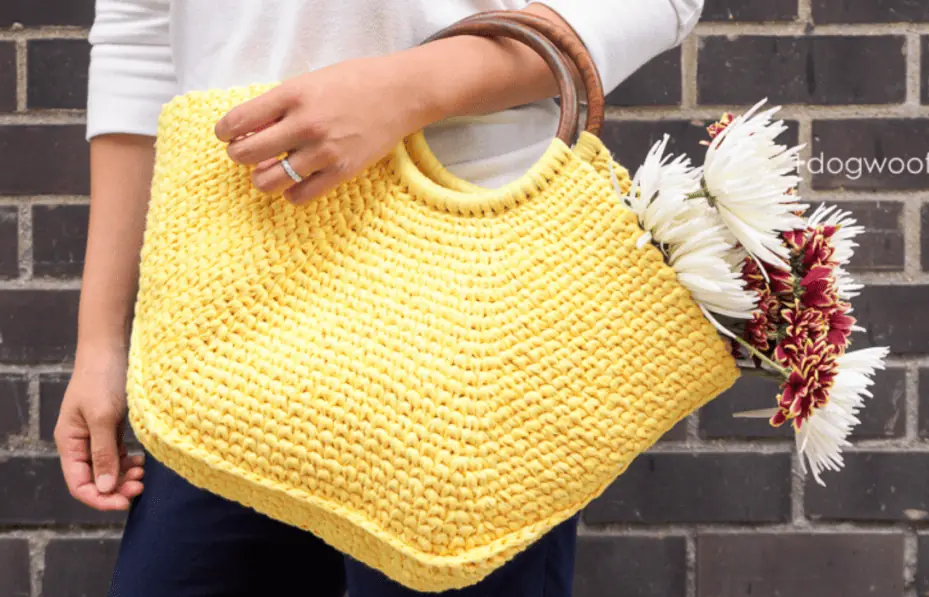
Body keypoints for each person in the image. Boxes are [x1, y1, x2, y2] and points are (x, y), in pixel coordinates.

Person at [55, 1, 705, 595]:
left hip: (471, 304)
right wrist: (100, 338)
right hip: (231, 311)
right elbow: (139, 30)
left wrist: (408, 87)